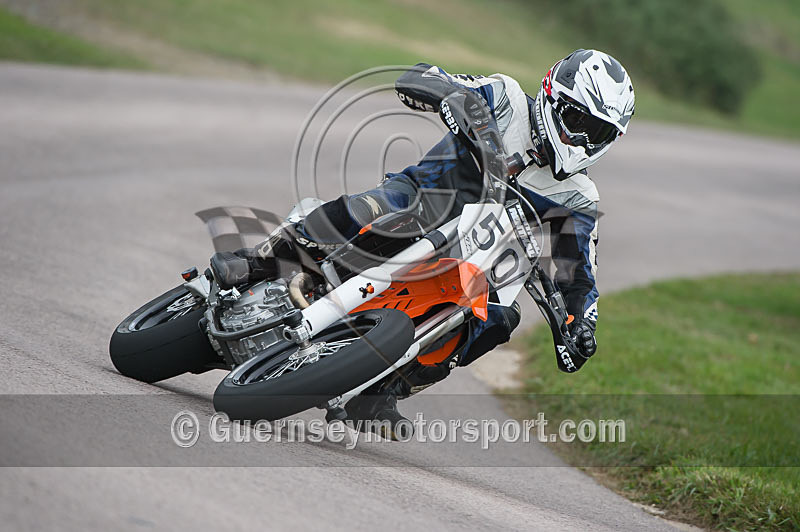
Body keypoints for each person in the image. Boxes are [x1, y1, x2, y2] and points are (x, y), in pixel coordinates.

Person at [211, 49, 635, 432]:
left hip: (479, 260)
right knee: (372, 207)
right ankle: (261, 261)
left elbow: (579, 271)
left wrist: (582, 325)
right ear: (550, 96)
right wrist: (444, 96)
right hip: (421, 201)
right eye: (578, 121)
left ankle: (385, 390)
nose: (580, 139)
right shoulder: (504, 99)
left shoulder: (578, 197)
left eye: (596, 133)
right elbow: (426, 77)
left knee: (498, 320)